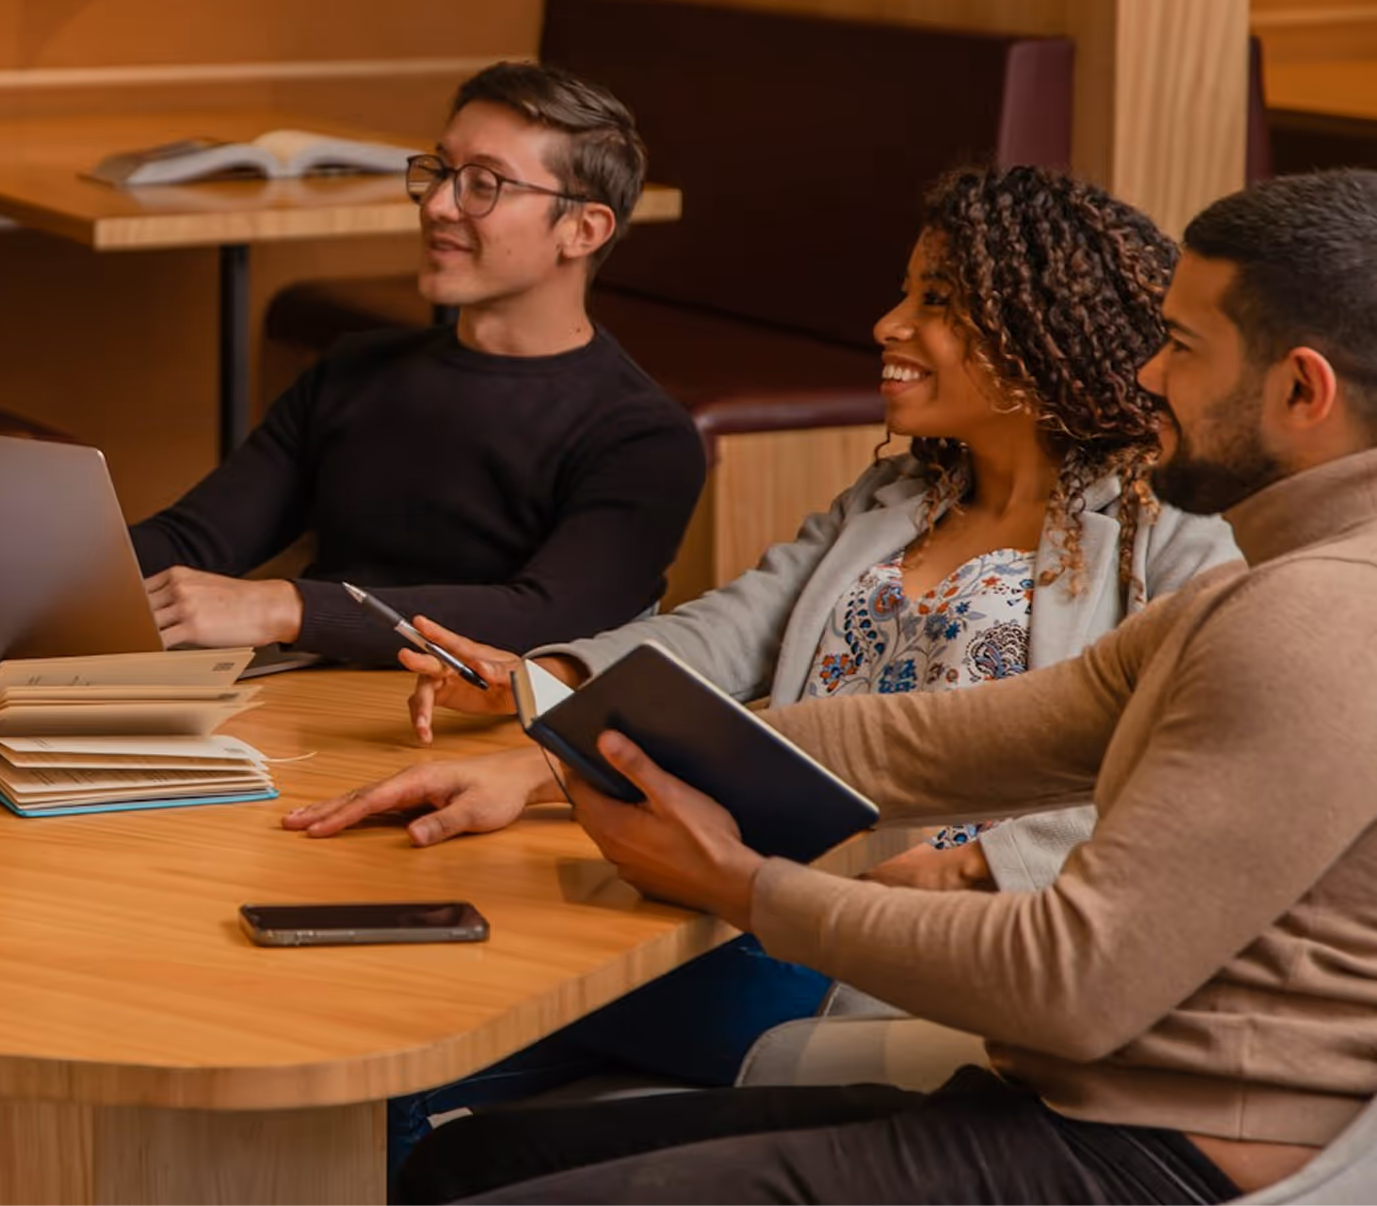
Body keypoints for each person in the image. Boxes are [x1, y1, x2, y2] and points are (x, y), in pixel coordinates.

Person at [378, 170, 1377, 1205]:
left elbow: (1073, 982)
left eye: (1182, 348)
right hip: (1073, 1105)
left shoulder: (1311, 614)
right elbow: (922, 744)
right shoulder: (1268, 596)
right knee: (475, 1160)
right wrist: (577, 746)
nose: (1148, 373)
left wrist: (742, 885)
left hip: (1160, 1159)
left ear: (1302, 392)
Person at [135, 62, 706, 667]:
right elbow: (195, 540)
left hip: (490, 732)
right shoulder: (357, 368)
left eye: (483, 184)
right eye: (439, 171)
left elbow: (544, 617)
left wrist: (289, 607)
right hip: (310, 700)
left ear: (582, 229)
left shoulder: (644, 438)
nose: (437, 205)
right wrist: (46, 571)